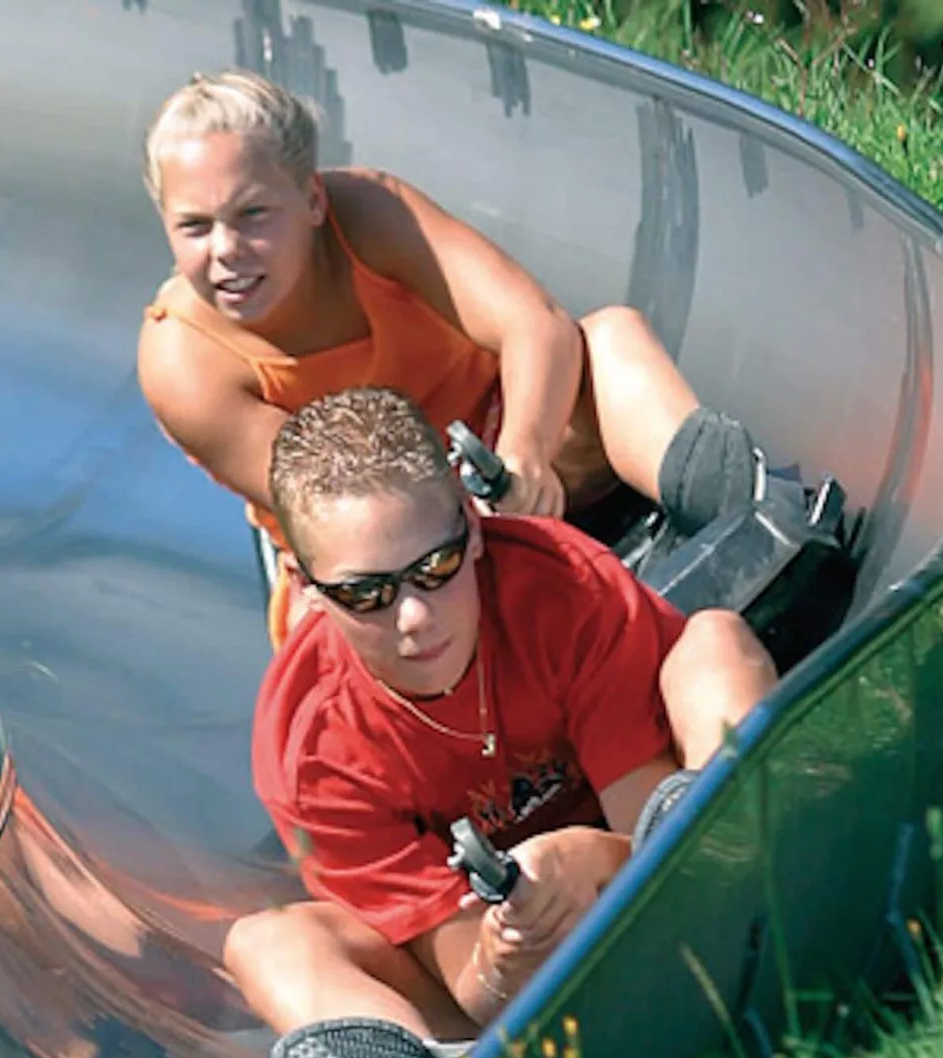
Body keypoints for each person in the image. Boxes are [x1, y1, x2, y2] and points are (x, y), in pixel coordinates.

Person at [225, 386, 778, 1058]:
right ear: (305, 588)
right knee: (264, 943)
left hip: (666, 863)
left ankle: (768, 874)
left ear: (474, 526)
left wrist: (589, 861)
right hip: (507, 982)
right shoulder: (313, 752)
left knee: (714, 645)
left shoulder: (560, 587)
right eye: (366, 594)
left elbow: (665, 849)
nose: (414, 618)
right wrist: (509, 944)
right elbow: (474, 984)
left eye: (436, 568)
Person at [136, 69, 763, 647]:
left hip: (503, 463)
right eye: (195, 226)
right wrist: (466, 515)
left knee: (610, 338)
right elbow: (335, 507)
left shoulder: (369, 215)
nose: (227, 251)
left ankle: (739, 524)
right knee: (333, 607)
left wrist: (522, 449)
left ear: (313, 202)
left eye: (253, 215)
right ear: (164, 226)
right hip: (392, 557)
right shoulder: (183, 361)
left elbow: (535, 323)